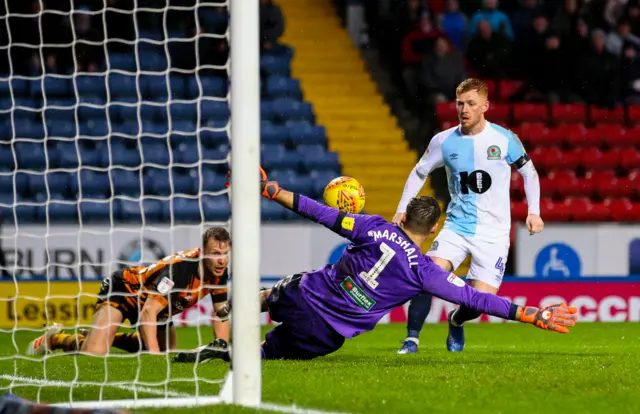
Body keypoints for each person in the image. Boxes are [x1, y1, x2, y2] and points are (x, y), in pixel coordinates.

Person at [179, 168, 573, 363]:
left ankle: (237, 309)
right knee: (264, 353)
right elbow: (476, 299)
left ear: (403, 219)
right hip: (326, 334)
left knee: (285, 288)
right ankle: (228, 352)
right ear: (434, 229)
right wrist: (530, 314)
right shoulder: (427, 272)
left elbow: (320, 213)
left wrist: (271, 190)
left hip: (302, 297)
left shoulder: (374, 227)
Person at [393, 78, 543, 354]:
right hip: (456, 227)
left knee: (480, 301)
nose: (464, 109)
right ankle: (411, 339)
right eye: (460, 103)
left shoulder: (504, 139)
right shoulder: (443, 141)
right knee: (428, 276)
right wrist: (402, 207)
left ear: (485, 106)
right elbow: (419, 171)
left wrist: (534, 211)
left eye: (471, 104)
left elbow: (528, 172)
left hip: (494, 233)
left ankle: (456, 319)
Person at [26, 228, 232, 356]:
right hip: (125, 290)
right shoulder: (180, 269)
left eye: (225, 253)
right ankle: (56, 339)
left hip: (157, 307)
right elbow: (148, 312)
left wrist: (221, 346)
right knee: (95, 353)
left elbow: (221, 312)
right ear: (202, 252)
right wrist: (153, 356)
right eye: (215, 254)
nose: (221, 259)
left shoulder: (219, 271)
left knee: (168, 352)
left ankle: (108, 335)